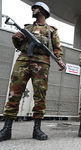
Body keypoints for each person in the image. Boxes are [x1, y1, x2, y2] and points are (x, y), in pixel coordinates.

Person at [0, 2, 66, 142]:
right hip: (23, 60)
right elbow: (19, 46)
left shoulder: (51, 30)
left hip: (41, 63)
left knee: (40, 95)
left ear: (42, 11)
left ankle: (37, 129)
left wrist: (59, 60)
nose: (33, 10)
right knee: (14, 93)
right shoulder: (27, 28)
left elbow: (57, 48)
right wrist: (15, 39)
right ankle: (6, 129)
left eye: (35, 8)